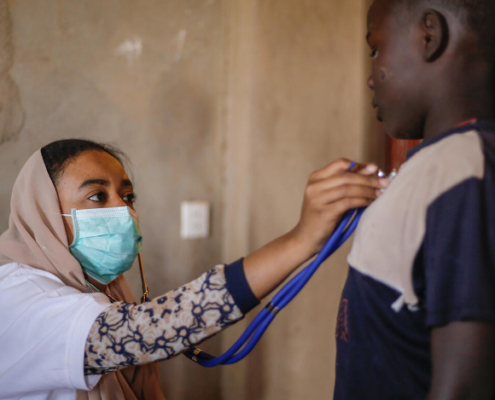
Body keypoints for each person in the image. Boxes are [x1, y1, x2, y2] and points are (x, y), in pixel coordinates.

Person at [0, 139, 385, 399]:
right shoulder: (18, 298)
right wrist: (299, 241)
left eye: (128, 196)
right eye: (98, 196)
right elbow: (143, 334)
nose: (123, 210)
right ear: (44, 213)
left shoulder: (101, 290)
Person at [334, 0, 495, 399]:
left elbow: (464, 386)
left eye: (376, 49)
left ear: (429, 36)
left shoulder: (460, 169)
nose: (371, 78)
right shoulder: (439, 166)